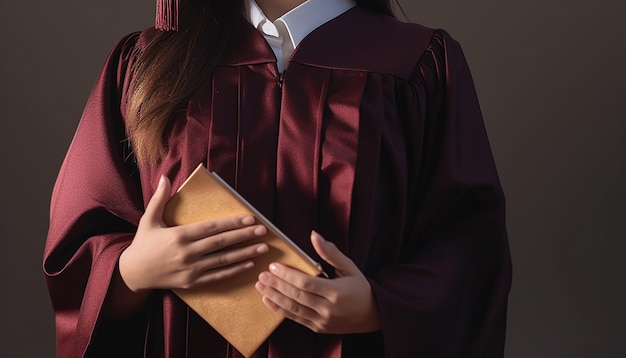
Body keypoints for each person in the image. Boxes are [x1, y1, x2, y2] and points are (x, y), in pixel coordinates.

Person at [43, 0, 512, 356]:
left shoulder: (416, 64)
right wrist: (132, 271)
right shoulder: (145, 62)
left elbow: (470, 248)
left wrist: (381, 307)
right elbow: (80, 239)